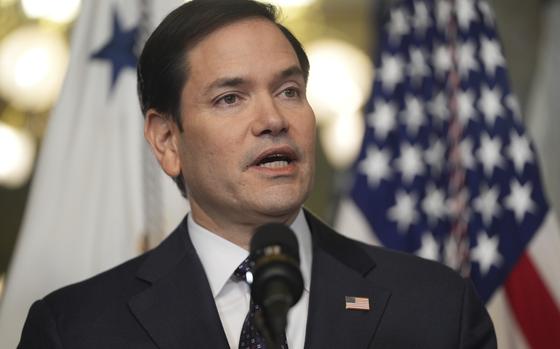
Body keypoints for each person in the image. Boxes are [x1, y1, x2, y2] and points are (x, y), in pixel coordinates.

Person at [18, 0, 497, 348]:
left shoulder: (436, 309)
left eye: (289, 91)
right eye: (230, 98)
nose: (273, 119)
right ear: (167, 140)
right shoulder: (76, 329)